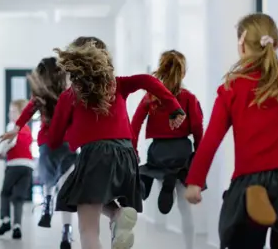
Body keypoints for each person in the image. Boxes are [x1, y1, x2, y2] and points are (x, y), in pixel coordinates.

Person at [185, 13, 278, 249]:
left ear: (241, 45)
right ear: (275, 44)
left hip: (252, 176)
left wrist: (195, 181)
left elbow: (211, 140)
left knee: (244, 241)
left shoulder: (231, 88)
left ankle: (259, 200)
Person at [39, 36, 185, 249]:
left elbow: (53, 140)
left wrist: (57, 130)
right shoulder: (118, 85)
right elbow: (147, 80)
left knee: (87, 228)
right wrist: (174, 106)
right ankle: (117, 214)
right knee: (90, 190)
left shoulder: (70, 96)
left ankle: (116, 215)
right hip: (126, 156)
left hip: (96, 156)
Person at [0, 57, 76, 249]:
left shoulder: (45, 95)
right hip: (65, 143)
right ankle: (66, 230)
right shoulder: (67, 94)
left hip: (51, 143)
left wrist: (16, 128)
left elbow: (26, 112)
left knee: (49, 179)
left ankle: (49, 205)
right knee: (63, 186)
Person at [131, 50, 203, 249]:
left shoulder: (151, 98)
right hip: (182, 152)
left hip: (159, 152)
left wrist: (133, 151)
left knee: (154, 170)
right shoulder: (189, 98)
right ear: (183, 73)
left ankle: (150, 180)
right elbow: (197, 128)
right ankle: (190, 247)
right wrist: (198, 156)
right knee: (184, 208)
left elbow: (135, 124)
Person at [0, 99, 34, 239]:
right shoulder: (28, 129)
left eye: (12, 111)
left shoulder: (13, 126)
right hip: (28, 166)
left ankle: (6, 220)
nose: (9, 114)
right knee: (19, 197)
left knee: (5, 193)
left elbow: (11, 142)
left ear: (21, 114)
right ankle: (17, 226)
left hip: (14, 165)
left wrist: (2, 152)